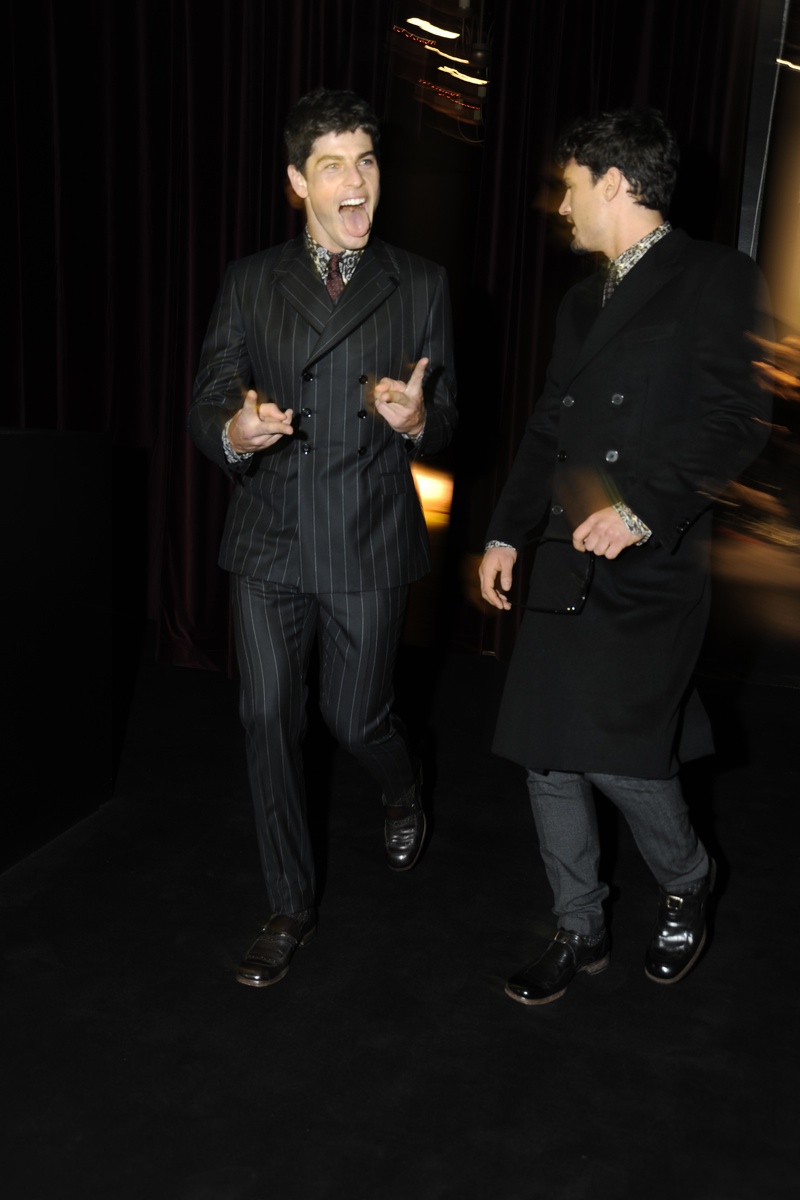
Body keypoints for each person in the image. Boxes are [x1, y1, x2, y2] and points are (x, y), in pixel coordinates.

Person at [479, 108, 770, 1005]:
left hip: (652, 564)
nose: (561, 206)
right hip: (566, 553)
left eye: (570, 187)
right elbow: (549, 429)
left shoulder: (716, 276)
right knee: (547, 754)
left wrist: (644, 508)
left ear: (612, 181)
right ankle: (579, 925)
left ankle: (687, 878)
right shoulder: (580, 302)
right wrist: (504, 531)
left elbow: (738, 420)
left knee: (622, 755)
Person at [190, 89, 457, 988]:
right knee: (265, 715)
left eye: (367, 161)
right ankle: (287, 905)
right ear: (299, 181)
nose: (357, 181)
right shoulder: (249, 280)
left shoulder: (419, 282)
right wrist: (236, 431)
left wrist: (419, 421)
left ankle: (402, 783)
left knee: (355, 718)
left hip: (367, 538)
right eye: (334, 164)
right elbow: (209, 397)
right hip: (268, 534)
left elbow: (450, 416)